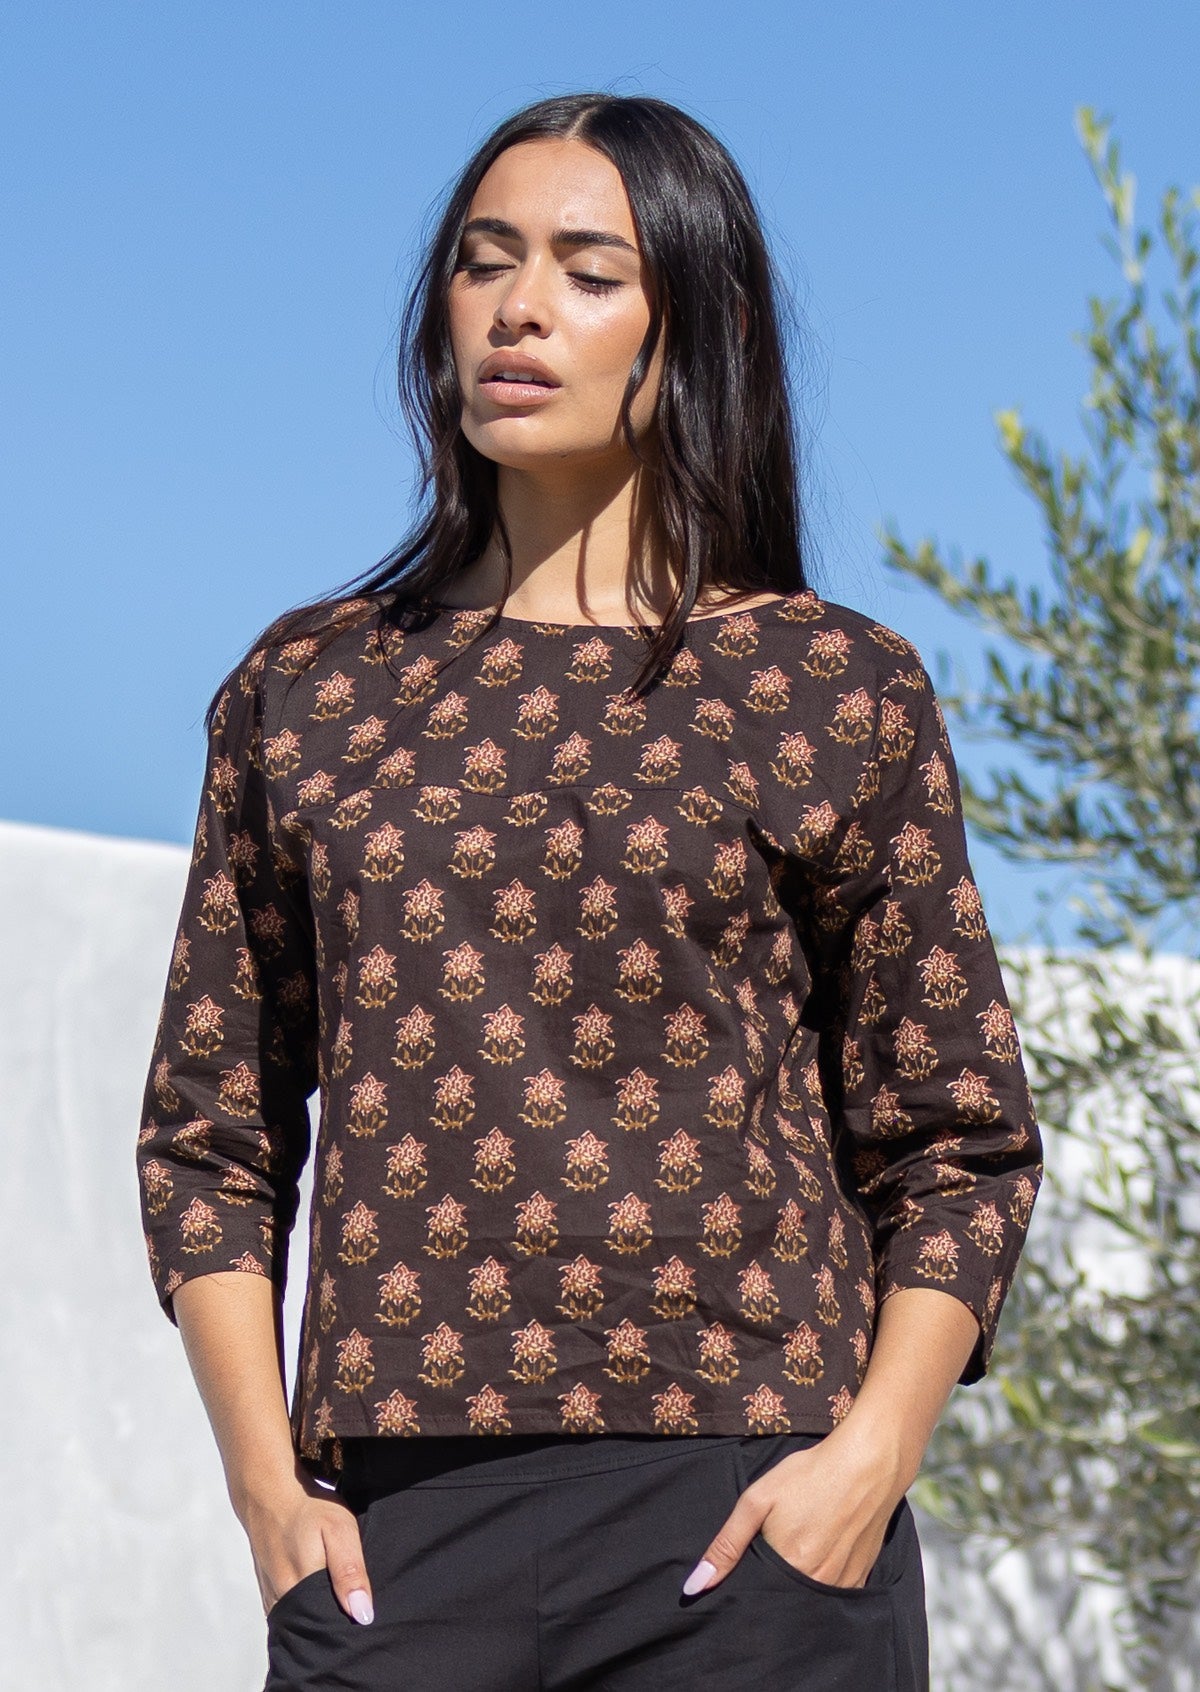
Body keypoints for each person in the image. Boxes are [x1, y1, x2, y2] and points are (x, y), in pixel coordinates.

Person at [135, 92, 1044, 1692]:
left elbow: (959, 1139)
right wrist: (266, 1493)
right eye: (484, 261)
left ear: (693, 329)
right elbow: (210, 1133)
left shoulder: (831, 687)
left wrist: (874, 1454)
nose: (520, 307)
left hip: (748, 1522)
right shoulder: (308, 690)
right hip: (393, 1537)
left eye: (588, 270)